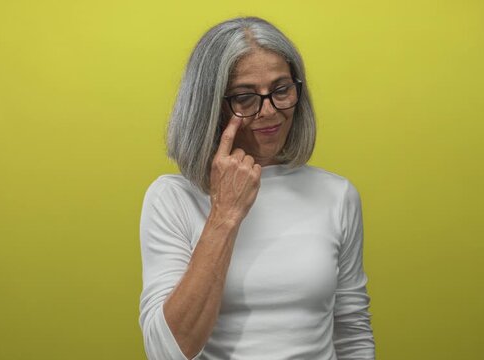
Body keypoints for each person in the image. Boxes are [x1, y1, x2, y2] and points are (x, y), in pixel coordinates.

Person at [138, 16, 375, 360]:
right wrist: (225, 214)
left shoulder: (336, 195)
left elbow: (352, 332)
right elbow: (167, 352)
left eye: (281, 90)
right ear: (211, 106)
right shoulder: (172, 198)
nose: (269, 112)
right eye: (245, 97)